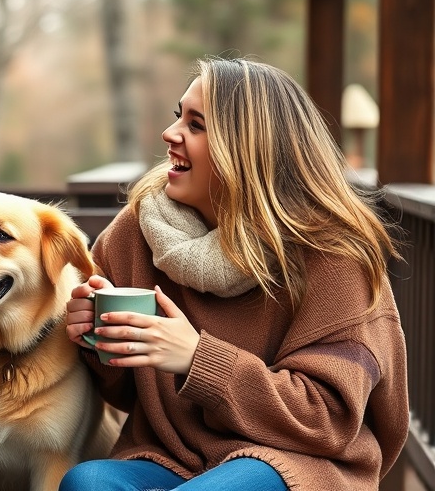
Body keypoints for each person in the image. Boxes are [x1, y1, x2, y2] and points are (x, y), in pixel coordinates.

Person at [60, 57, 409, 491]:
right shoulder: (137, 231)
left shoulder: (333, 255)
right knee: (87, 482)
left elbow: (327, 419)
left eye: (196, 125)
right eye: (177, 118)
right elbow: (125, 393)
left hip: (295, 462)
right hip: (174, 455)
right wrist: (97, 340)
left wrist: (196, 358)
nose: (170, 135)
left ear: (247, 148)